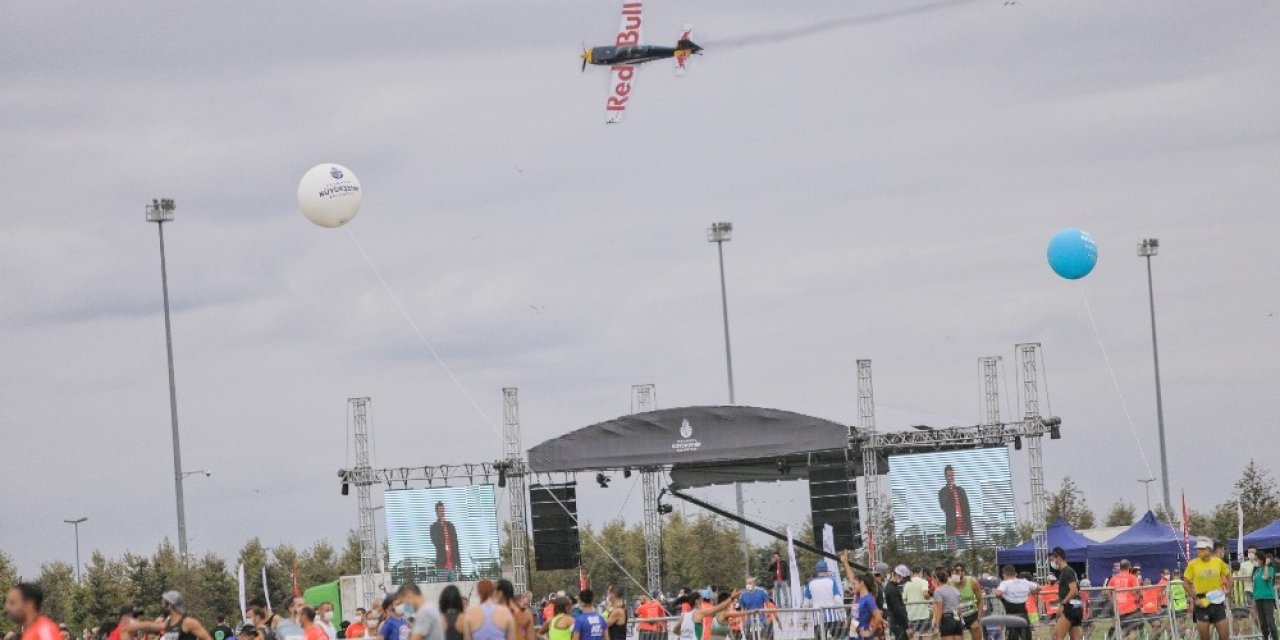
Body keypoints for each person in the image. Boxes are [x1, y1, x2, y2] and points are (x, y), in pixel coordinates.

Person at [1184, 537, 1232, 640]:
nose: (1199, 551)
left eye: (1202, 549)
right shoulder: (1192, 564)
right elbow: (1186, 583)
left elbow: (1229, 576)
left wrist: (1228, 590)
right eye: (1198, 549)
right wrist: (1195, 599)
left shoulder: (1218, 562)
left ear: (1209, 549)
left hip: (1217, 601)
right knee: (1205, 637)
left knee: (1224, 636)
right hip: (1201, 603)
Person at [804, 559, 847, 636]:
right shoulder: (832, 581)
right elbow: (838, 600)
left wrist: (804, 618)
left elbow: (806, 603)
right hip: (834, 617)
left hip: (818, 617)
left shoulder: (810, 583)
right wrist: (844, 616)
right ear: (827, 570)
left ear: (817, 571)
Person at [994, 566, 1037, 640]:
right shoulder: (1024, 582)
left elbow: (998, 593)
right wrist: (1030, 593)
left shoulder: (1005, 583)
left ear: (1004, 575)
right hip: (1023, 615)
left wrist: (1000, 597)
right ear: (1015, 574)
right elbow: (1039, 588)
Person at [673, 591, 738, 640]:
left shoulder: (684, 615)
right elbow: (720, 607)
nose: (702, 602)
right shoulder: (699, 612)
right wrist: (731, 598)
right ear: (697, 601)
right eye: (701, 599)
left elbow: (675, 630)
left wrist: (686, 636)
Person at [1049, 548, 1081, 640]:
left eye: (1052, 559)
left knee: (1057, 637)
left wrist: (1062, 604)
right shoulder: (1067, 571)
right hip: (1076, 606)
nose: (1052, 562)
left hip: (1069, 607)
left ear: (1058, 558)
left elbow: (1074, 589)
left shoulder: (1067, 572)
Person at [936, 466, 972, 550]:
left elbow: (967, 510)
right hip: (951, 529)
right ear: (945, 476)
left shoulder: (961, 490)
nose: (951, 477)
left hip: (964, 528)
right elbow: (943, 507)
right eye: (949, 475)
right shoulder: (943, 492)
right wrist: (950, 489)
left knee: (967, 552)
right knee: (954, 554)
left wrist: (971, 529)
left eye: (952, 475)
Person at [1108, 560, 1142, 640]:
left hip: (1118, 609)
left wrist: (1113, 602)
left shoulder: (1114, 578)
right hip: (1130, 608)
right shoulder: (1132, 577)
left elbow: (1107, 592)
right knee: (1133, 635)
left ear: (1120, 567)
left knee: (1125, 632)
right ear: (1129, 567)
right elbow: (1137, 591)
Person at [430, 502, 462, 581]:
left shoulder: (451, 526)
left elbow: (456, 546)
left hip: (452, 565)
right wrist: (441, 525)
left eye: (443, 510)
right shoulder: (434, 527)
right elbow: (435, 542)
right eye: (440, 510)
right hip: (441, 565)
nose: (442, 512)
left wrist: (459, 564)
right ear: (436, 512)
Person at [950, 564, 983, 640]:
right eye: (954, 572)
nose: (956, 575)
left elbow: (980, 601)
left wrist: (978, 620)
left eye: (958, 572)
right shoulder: (950, 582)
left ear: (964, 572)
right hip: (956, 617)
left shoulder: (972, 581)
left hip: (972, 616)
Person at [932, 569, 965, 640]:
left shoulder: (938, 591)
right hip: (957, 619)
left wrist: (937, 625)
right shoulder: (955, 589)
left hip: (947, 619)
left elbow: (940, 609)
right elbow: (960, 607)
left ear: (937, 579)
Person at [904, 566, 932, 638]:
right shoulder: (924, 582)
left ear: (912, 573)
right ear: (920, 572)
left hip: (911, 613)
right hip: (923, 613)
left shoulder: (907, 583)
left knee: (912, 636)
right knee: (924, 636)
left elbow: (904, 598)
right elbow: (925, 594)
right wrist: (929, 598)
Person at [1255, 552, 1277, 640]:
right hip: (1258, 598)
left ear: (1261, 559)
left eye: (1256, 559)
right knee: (1263, 623)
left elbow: (1266, 577)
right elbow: (1255, 584)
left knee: (1270, 622)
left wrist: (1267, 565)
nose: (1255, 561)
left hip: (1267, 598)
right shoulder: (1256, 570)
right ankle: (1265, 638)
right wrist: (1255, 597)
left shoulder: (1270, 568)